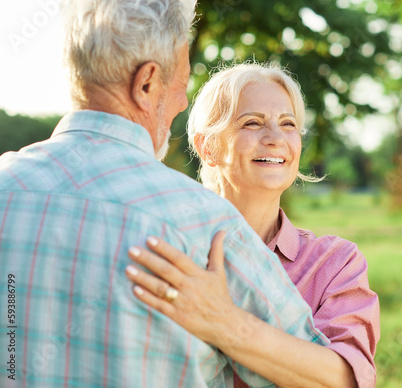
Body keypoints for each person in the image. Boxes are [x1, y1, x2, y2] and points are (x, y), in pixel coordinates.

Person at [0, 2, 330, 387]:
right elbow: (325, 380)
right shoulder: (207, 225)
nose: (182, 102)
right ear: (146, 83)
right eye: (180, 82)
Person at [124, 63, 380, 388]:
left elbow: (345, 380)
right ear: (208, 147)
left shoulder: (334, 263)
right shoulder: (167, 248)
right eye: (252, 123)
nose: (275, 138)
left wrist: (223, 323)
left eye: (288, 124)